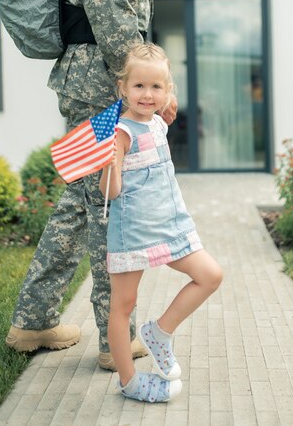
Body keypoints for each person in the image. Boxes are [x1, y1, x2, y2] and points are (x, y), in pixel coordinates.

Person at [5, 0, 176, 371]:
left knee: (78, 209)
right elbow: (121, 36)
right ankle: (115, 341)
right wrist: (159, 96)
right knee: (110, 211)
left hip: (101, 92)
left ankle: (32, 322)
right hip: (103, 97)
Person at [100, 43, 223, 403]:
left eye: (157, 87)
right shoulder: (120, 132)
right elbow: (111, 191)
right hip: (132, 231)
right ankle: (129, 381)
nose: (147, 94)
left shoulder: (157, 122)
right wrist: (109, 164)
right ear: (123, 88)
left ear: (168, 90)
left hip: (169, 224)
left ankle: (159, 331)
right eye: (139, 86)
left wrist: (164, 102)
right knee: (123, 305)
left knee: (210, 275)